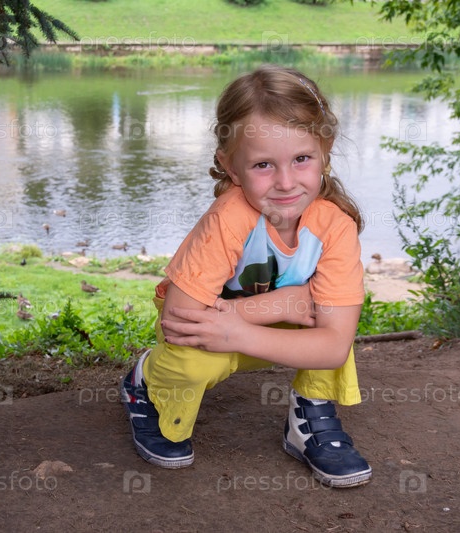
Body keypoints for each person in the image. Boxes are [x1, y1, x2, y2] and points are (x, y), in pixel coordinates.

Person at [121, 64, 371, 488]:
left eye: (302, 159)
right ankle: (145, 381)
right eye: (263, 165)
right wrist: (289, 302)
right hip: (205, 332)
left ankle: (310, 414)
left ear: (325, 151)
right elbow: (181, 321)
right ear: (231, 166)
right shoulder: (229, 219)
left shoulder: (335, 226)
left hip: (237, 327)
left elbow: (333, 346)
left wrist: (238, 324)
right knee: (190, 360)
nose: (286, 182)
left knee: (335, 324)